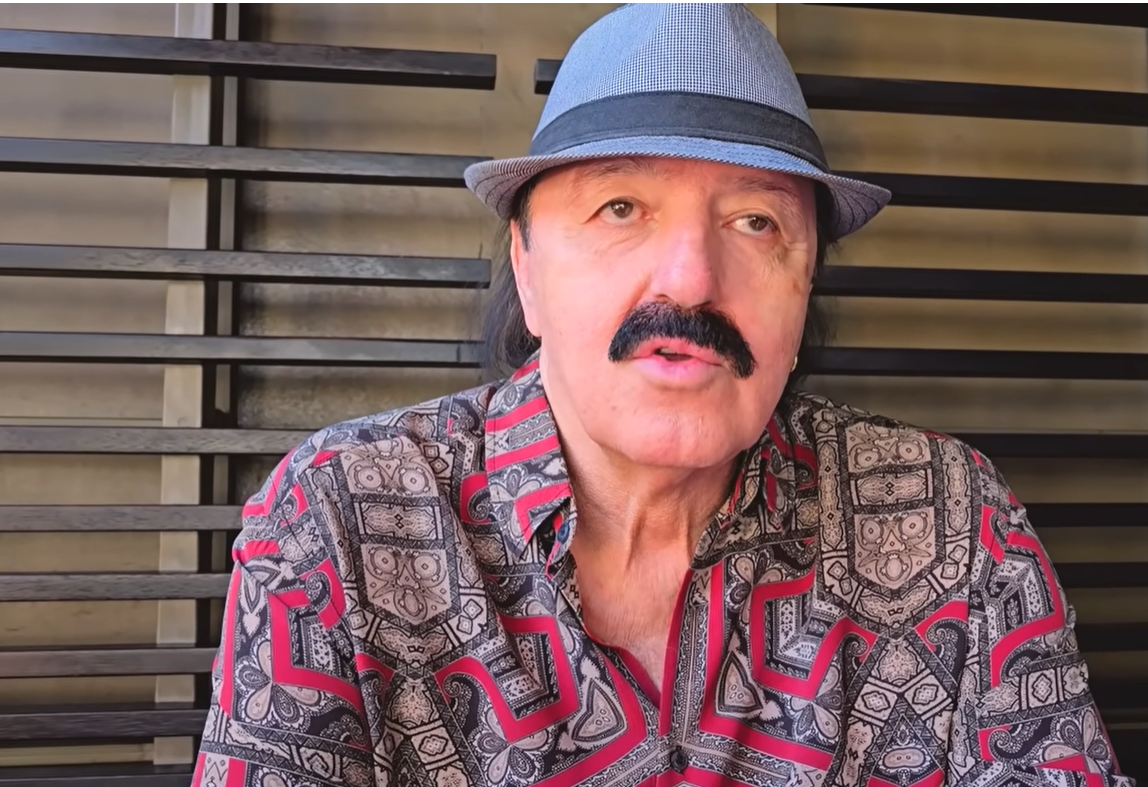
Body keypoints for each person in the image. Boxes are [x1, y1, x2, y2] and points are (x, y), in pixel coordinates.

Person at [192, 5, 1132, 786]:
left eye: (755, 221)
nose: (690, 279)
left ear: (804, 284)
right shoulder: (341, 523)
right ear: (528, 267)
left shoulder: (953, 518)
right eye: (621, 208)